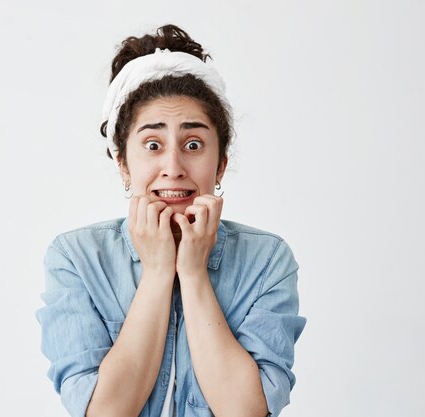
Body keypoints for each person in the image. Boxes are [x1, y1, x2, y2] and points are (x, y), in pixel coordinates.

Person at [36, 24, 306, 417]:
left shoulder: (268, 261)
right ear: (123, 164)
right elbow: (107, 412)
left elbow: (244, 412)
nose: (173, 167)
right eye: (153, 145)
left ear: (221, 164)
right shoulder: (76, 258)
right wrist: (159, 271)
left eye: (193, 144)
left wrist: (194, 273)